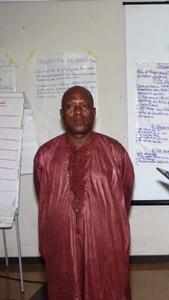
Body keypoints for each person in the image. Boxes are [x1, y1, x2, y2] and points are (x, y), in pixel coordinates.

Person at [33, 86, 135, 299]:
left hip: (105, 244)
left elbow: (124, 196)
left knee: (108, 288)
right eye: (71, 107)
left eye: (84, 106)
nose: (78, 112)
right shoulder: (45, 155)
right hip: (61, 244)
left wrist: (98, 220)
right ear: (62, 114)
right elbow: (42, 195)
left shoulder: (115, 152)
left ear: (94, 112)